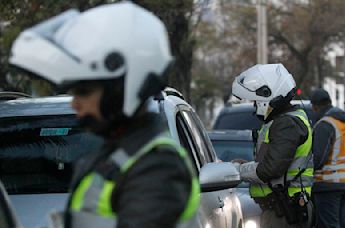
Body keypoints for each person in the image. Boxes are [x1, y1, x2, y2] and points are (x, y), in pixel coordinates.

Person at [9, 2, 199, 227]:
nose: (75, 104)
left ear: (121, 89)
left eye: (84, 92)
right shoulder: (119, 154)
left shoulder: (157, 168)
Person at [231, 64, 314, 228]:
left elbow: (271, 169)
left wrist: (238, 170)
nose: (255, 106)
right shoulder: (284, 121)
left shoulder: (286, 124)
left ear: (267, 96)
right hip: (281, 207)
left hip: (284, 210)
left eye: (255, 101)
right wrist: (245, 165)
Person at [311, 89, 345, 228]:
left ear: (315, 106)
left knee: (329, 224)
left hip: (328, 183)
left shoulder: (325, 125)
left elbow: (319, 158)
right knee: (343, 223)